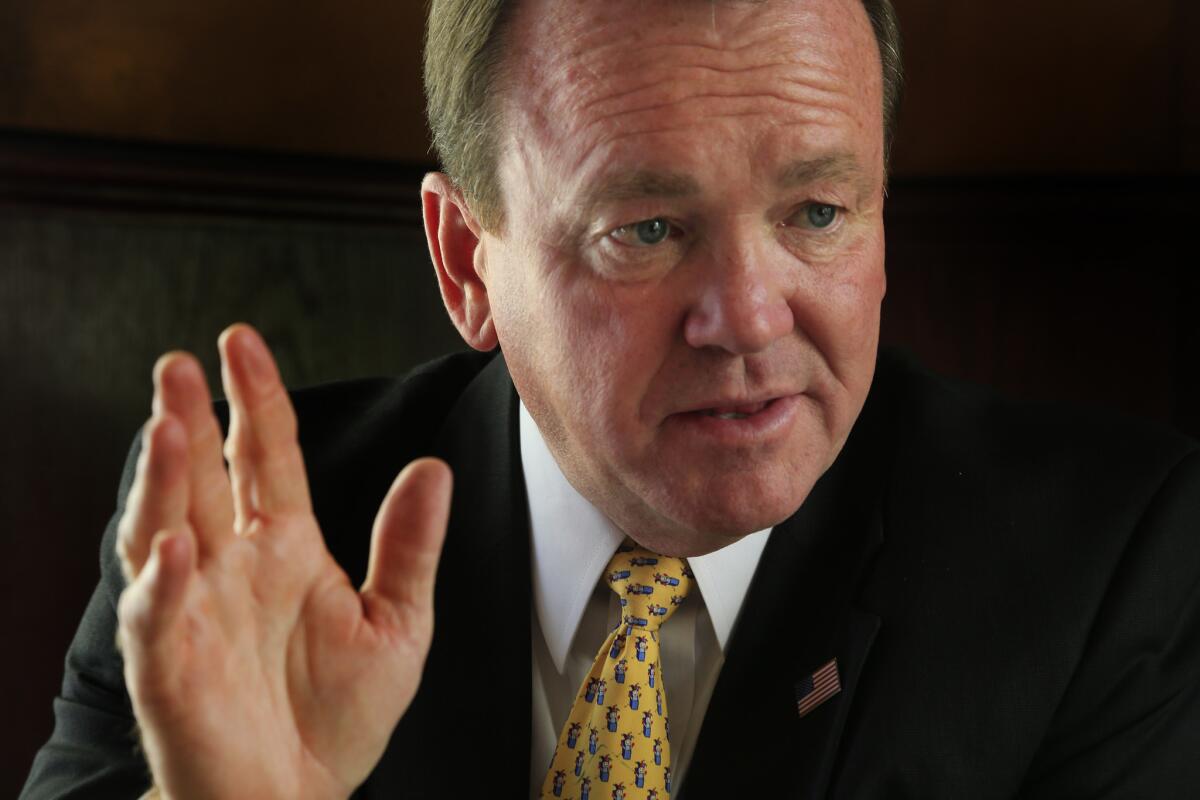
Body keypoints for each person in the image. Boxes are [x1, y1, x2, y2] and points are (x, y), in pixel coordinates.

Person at [21, 0, 1200, 798]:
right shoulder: (243, 536)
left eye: (818, 213)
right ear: (465, 263)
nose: (747, 314)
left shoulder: (1105, 563)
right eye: (646, 228)